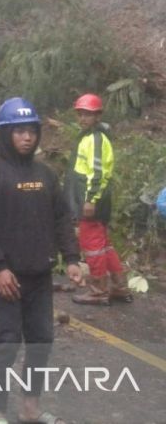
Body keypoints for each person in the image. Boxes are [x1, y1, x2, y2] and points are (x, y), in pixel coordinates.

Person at [0, 97, 82, 424]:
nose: (26, 137)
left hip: (39, 274)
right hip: (5, 276)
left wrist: (72, 258)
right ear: (5, 134)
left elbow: (61, 218)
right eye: (18, 131)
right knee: (6, 342)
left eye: (31, 131)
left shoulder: (45, 174)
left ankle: (29, 409)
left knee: (40, 342)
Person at [66, 93, 132, 305]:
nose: (84, 118)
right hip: (96, 199)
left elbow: (96, 172)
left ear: (98, 116)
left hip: (93, 201)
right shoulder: (90, 136)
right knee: (104, 245)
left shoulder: (95, 138)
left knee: (92, 245)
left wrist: (90, 200)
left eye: (88, 114)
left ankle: (98, 291)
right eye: (81, 114)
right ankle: (119, 287)